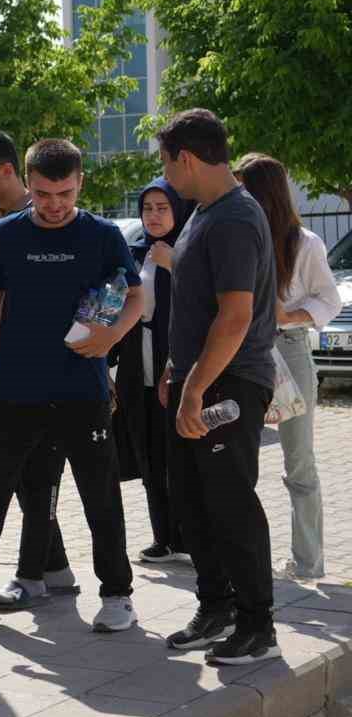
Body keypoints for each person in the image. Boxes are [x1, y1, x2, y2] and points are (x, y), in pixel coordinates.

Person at [0, 139, 142, 631]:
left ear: (79, 183)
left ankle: (117, 594)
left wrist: (111, 336)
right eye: (44, 194)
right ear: (29, 182)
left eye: (64, 193)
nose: (54, 204)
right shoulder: (6, 234)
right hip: (14, 388)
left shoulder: (104, 235)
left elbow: (136, 297)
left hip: (81, 390)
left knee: (99, 495)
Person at [155, 110, 280, 665]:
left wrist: (194, 388)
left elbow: (235, 317)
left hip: (228, 382)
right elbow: (194, 304)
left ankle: (258, 627)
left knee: (230, 504)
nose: (165, 174)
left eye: (165, 161)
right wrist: (176, 371)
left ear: (185, 157)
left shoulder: (233, 217)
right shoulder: (204, 213)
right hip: (197, 377)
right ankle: (217, 609)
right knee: (193, 502)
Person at [0, 129, 78, 611]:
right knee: (25, 476)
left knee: (33, 476)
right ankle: (55, 569)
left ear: (8, 170)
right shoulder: (3, 225)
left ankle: (33, 574)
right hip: (14, 370)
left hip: (54, 374)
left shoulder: (52, 220)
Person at [236, 153, 341, 581]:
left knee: (298, 461)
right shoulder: (236, 235)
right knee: (237, 461)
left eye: (245, 188)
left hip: (290, 353)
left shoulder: (305, 243)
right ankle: (245, 561)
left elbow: (329, 300)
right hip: (241, 353)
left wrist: (287, 315)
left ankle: (308, 562)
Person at [112, 178, 195, 564]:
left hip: (174, 363)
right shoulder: (132, 252)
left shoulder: (190, 251)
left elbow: (203, 302)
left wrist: (174, 263)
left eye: (163, 208)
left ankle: (189, 537)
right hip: (136, 362)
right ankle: (163, 536)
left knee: (176, 453)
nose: (154, 216)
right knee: (146, 452)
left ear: (178, 211)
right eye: (148, 208)